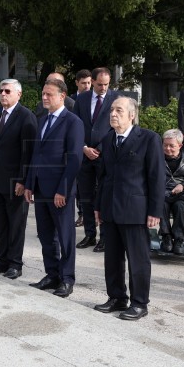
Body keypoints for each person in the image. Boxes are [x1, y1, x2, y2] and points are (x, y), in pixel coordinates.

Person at [93, 97, 165, 320]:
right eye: (112, 110)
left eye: (119, 110)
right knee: (112, 258)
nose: (113, 114)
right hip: (110, 209)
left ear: (131, 115)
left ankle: (139, 303)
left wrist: (155, 211)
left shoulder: (148, 139)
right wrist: (98, 206)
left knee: (138, 259)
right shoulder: (107, 139)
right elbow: (102, 176)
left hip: (135, 210)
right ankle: (117, 297)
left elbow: (157, 177)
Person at [24, 78, 84, 297]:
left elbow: (75, 159)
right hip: (40, 188)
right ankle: (52, 274)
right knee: (45, 234)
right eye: (43, 94)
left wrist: (63, 190)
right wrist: (30, 183)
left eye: (49, 94)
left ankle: (67, 278)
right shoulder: (42, 120)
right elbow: (36, 155)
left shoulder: (73, 122)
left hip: (60, 191)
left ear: (62, 96)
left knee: (65, 236)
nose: (44, 97)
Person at [0, 79, 36, 279]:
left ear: (18, 94)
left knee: (16, 223)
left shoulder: (26, 117)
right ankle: (2, 259)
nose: (3, 94)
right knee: (1, 221)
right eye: (1, 91)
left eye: (7, 91)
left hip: (16, 181)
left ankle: (15, 263)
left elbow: (28, 153)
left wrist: (24, 181)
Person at [72, 67, 117, 252]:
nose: (103, 88)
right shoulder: (81, 99)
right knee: (86, 196)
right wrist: (83, 147)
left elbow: (118, 127)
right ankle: (90, 234)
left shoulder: (116, 98)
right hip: (84, 154)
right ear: (93, 81)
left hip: (105, 154)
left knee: (104, 196)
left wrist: (98, 149)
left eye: (106, 84)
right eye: (100, 84)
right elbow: (74, 124)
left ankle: (105, 237)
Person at [158, 129, 184, 255]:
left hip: (180, 194)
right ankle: (166, 236)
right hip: (162, 192)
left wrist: (183, 185)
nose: (168, 148)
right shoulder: (157, 157)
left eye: (172, 146)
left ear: (180, 145)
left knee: (180, 206)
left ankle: (179, 239)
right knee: (161, 204)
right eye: (165, 145)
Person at [73, 69, 92, 228]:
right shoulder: (71, 100)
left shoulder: (96, 100)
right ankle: (82, 214)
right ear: (77, 83)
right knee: (79, 187)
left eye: (89, 83)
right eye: (83, 83)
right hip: (77, 149)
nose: (87, 86)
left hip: (96, 151)